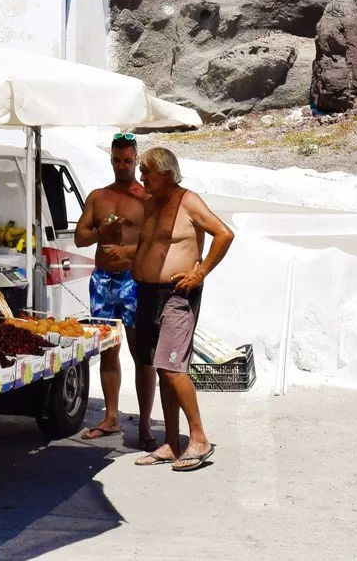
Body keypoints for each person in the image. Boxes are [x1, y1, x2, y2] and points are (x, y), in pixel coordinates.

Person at [131, 145, 232, 472]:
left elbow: (224, 234)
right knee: (161, 368)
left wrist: (199, 272)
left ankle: (199, 437)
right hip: (147, 294)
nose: (141, 176)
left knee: (173, 367)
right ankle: (171, 444)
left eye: (146, 170)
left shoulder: (187, 200)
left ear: (165, 172)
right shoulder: (149, 204)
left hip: (177, 294)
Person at [72, 133, 156, 447]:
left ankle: (145, 424)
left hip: (135, 281)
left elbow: (158, 243)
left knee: (141, 352)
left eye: (128, 160)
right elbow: (81, 238)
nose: (123, 166)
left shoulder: (147, 199)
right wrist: (102, 231)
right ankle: (111, 417)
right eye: (117, 160)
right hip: (102, 281)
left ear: (136, 161)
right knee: (109, 350)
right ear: (111, 160)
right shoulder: (98, 197)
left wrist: (129, 253)